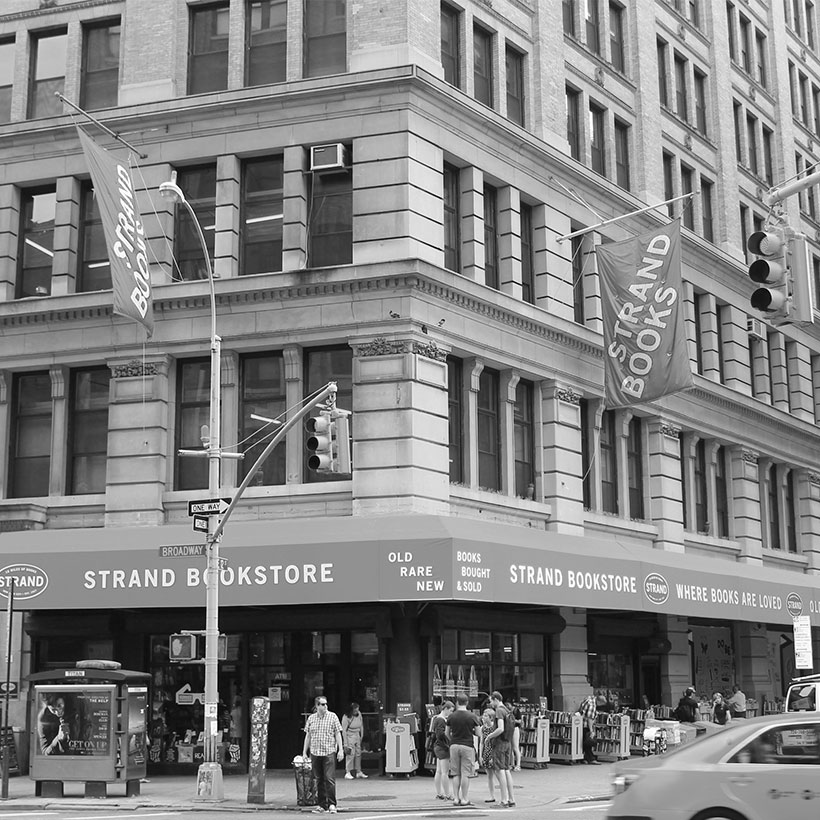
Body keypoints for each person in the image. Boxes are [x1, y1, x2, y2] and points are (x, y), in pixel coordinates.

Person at [302, 696, 344, 814]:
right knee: (319, 779)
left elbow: (337, 734)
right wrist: (304, 752)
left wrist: (340, 750)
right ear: (317, 706)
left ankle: (331, 804)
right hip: (315, 752)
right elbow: (308, 736)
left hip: (328, 751)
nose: (325, 706)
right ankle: (322, 804)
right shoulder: (311, 718)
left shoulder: (332, 716)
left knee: (329, 778)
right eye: (322, 704)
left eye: (326, 704)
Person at [445, 693, 481, 807]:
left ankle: (456, 798)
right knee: (466, 773)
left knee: (456, 773)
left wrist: (453, 740)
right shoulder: (472, 716)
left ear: (457, 702)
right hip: (467, 746)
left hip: (454, 745)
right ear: (467, 703)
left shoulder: (451, 716)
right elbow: (479, 733)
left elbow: (446, 733)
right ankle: (465, 799)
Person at [487, 691, 515, 807]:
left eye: (491, 701)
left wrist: (489, 736)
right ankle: (511, 799)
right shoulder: (507, 710)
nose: (491, 704)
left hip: (499, 743)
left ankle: (504, 800)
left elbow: (500, 728)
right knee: (506, 770)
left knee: (500, 770)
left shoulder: (499, 710)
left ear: (496, 699)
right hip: (508, 742)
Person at [431, 701, 454, 801]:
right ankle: (447, 794)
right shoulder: (441, 720)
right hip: (443, 747)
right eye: (450, 710)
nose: (451, 713)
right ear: (445, 709)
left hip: (437, 747)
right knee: (444, 772)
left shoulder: (436, 719)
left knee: (439, 771)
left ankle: (439, 793)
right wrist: (449, 739)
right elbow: (440, 734)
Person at [341, 702, 367, 780]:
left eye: (357, 709)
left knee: (358, 753)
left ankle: (358, 771)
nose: (356, 711)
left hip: (357, 734)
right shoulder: (346, 717)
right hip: (350, 735)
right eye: (355, 710)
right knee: (350, 754)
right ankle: (348, 771)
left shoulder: (359, 714)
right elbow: (344, 730)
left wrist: (362, 734)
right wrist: (345, 742)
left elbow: (361, 724)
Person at [478, 708, 496, 802]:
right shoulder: (482, 728)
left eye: (485, 716)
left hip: (493, 752)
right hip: (486, 752)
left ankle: (504, 796)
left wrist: (493, 756)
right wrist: (480, 755)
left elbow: (496, 743)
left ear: (491, 717)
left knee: (498, 774)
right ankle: (492, 795)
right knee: (489, 775)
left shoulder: (494, 728)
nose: (483, 717)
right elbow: (481, 742)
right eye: (483, 715)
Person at [578, 694, 600, 764]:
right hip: (585, 725)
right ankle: (591, 758)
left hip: (580, 723)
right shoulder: (592, 705)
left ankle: (583, 758)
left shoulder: (588, 699)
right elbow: (589, 718)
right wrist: (591, 731)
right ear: (599, 702)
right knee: (588, 742)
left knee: (583, 742)